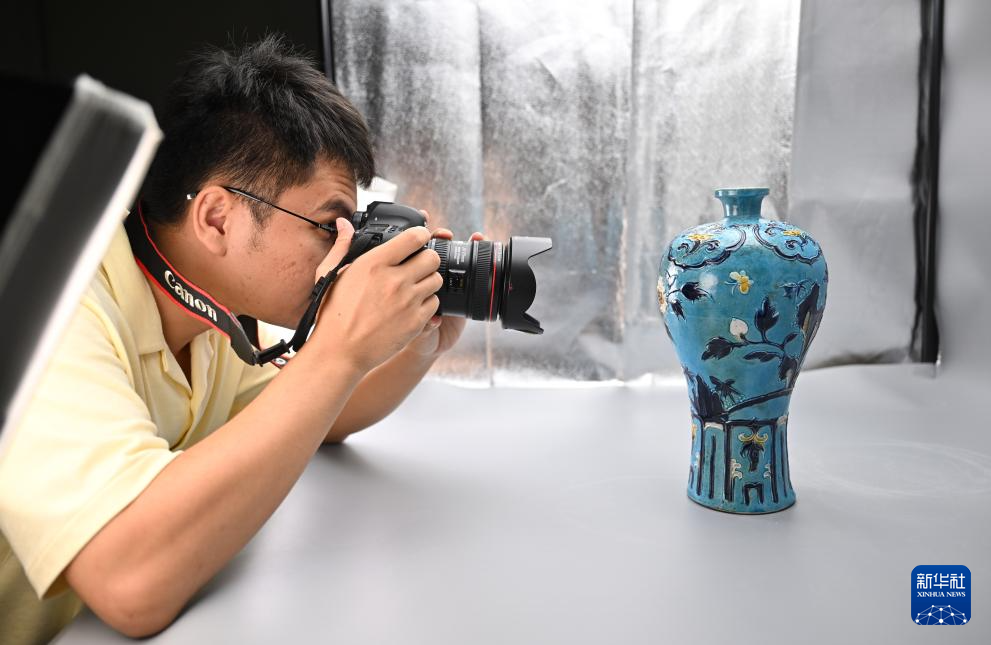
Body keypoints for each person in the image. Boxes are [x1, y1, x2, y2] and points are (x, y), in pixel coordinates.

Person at [0, 35, 483, 644]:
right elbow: (128, 584)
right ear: (217, 218)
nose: (343, 252)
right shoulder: (52, 307)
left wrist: (417, 343)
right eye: (327, 225)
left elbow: (319, 413)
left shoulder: (212, 307)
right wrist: (338, 348)